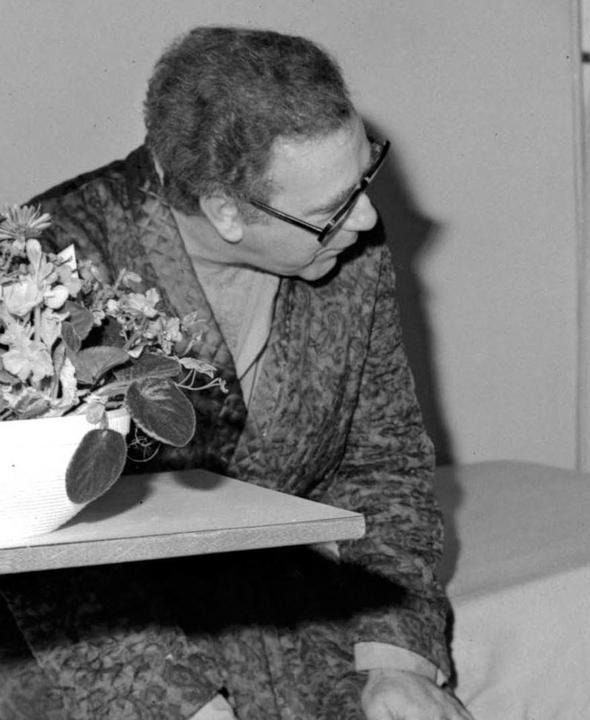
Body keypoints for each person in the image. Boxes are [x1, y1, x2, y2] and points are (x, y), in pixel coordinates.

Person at [0, 26, 472, 720]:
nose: (367, 216)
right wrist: (179, 704)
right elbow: (39, 538)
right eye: (332, 208)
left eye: (364, 176)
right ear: (224, 209)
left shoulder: (343, 248)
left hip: (278, 607)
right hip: (83, 633)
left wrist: (394, 660)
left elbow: (386, 466)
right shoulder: (50, 275)